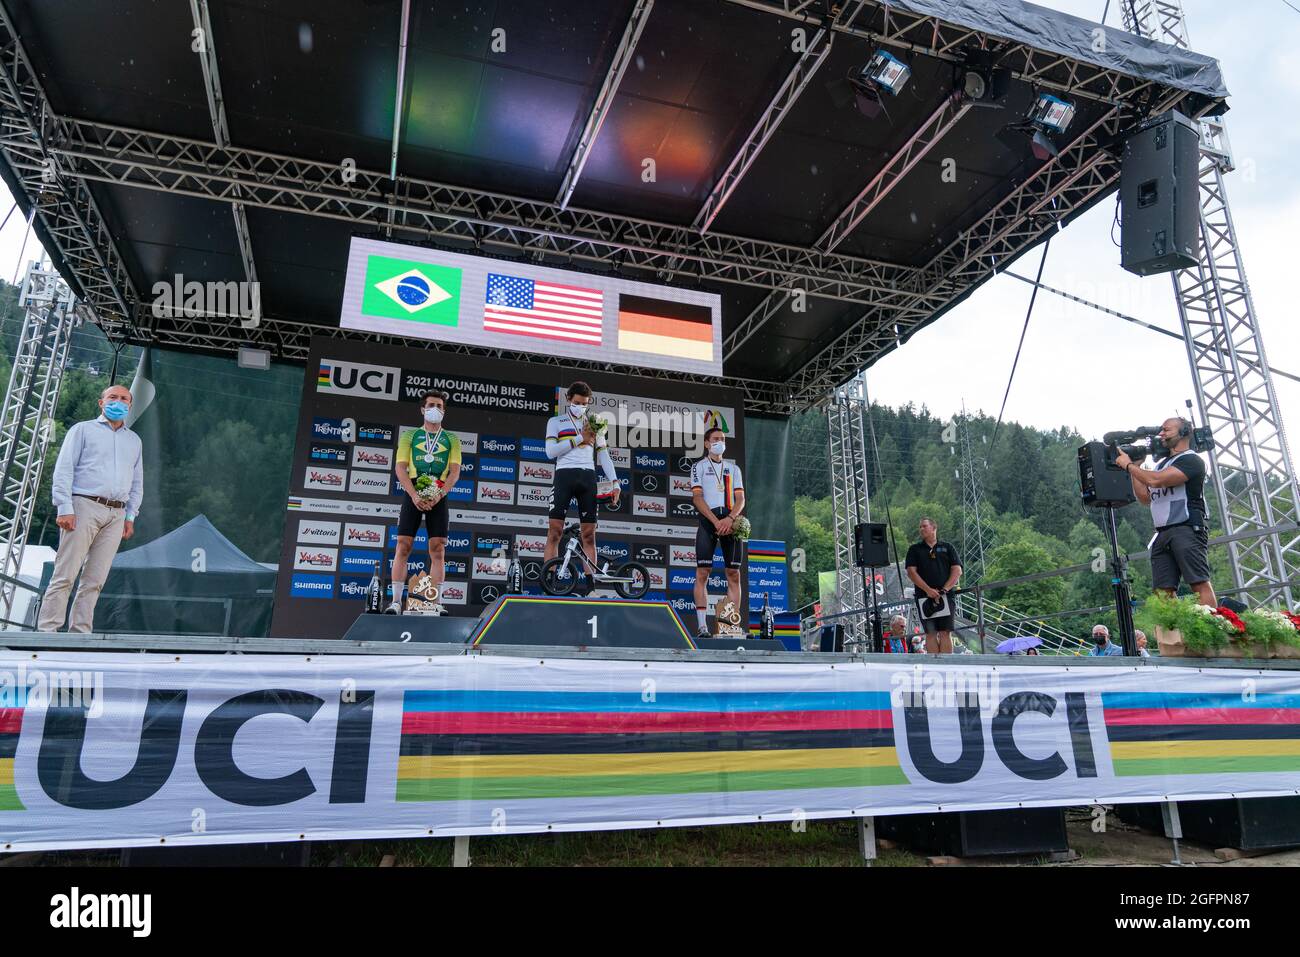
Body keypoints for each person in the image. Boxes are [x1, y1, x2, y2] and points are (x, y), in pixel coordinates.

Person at [38, 384, 142, 633]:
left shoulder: (134, 440)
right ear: (101, 402)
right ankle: (47, 632)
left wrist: (130, 515)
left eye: (123, 398)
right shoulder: (82, 430)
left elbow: (137, 480)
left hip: (117, 513)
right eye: (112, 397)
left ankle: (80, 634)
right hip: (83, 504)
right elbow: (64, 469)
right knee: (65, 575)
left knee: (95, 580)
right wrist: (64, 506)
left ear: (130, 404)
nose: (118, 402)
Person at [1114, 417, 1215, 606]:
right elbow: (1145, 497)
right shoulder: (1161, 465)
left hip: (1187, 527)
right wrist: (1134, 468)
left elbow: (1155, 481)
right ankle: (1172, 633)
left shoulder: (1191, 460)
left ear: (1184, 433)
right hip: (1162, 531)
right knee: (1163, 590)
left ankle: (1212, 626)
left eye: (1166, 430)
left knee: (1198, 582)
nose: (1161, 434)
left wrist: (1129, 465)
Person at [389, 390, 461, 615]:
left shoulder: (452, 439)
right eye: (431, 405)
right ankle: (395, 602)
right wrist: (414, 495)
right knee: (403, 545)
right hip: (413, 490)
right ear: (422, 409)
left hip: (439, 491)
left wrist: (438, 495)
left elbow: (455, 472)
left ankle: (435, 602)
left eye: (440, 406)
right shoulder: (409, 436)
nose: (435, 409)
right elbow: (400, 468)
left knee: (438, 548)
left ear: (444, 411)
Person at [544, 381, 619, 590]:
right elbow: (550, 452)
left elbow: (603, 454)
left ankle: (590, 587)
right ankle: (550, 583)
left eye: (585, 404)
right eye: (577, 402)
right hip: (564, 476)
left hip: (588, 478)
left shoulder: (595, 423)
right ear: (568, 400)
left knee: (589, 534)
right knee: (555, 532)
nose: (581, 407)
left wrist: (615, 482)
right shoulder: (556, 422)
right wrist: (580, 438)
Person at [690, 426, 745, 638]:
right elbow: (697, 498)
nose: (719, 442)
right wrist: (716, 522)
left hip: (730, 522)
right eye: (715, 439)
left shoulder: (734, 469)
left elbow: (740, 499)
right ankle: (702, 627)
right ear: (706, 443)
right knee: (703, 572)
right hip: (708, 522)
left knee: (733, 574)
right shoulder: (698, 467)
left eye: (722, 439)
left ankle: (730, 626)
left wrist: (729, 519)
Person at [905, 518, 962, 654]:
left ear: (934, 528)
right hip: (924, 596)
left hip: (945, 596)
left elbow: (957, 570)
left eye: (924, 526)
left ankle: (947, 664)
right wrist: (928, 590)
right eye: (920, 527)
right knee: (930, 632)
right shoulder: (915, 549)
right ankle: (935, 665)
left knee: (945, 631)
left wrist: (945, 589)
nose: (921, 529)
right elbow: (911, 572)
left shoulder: (947, 547)